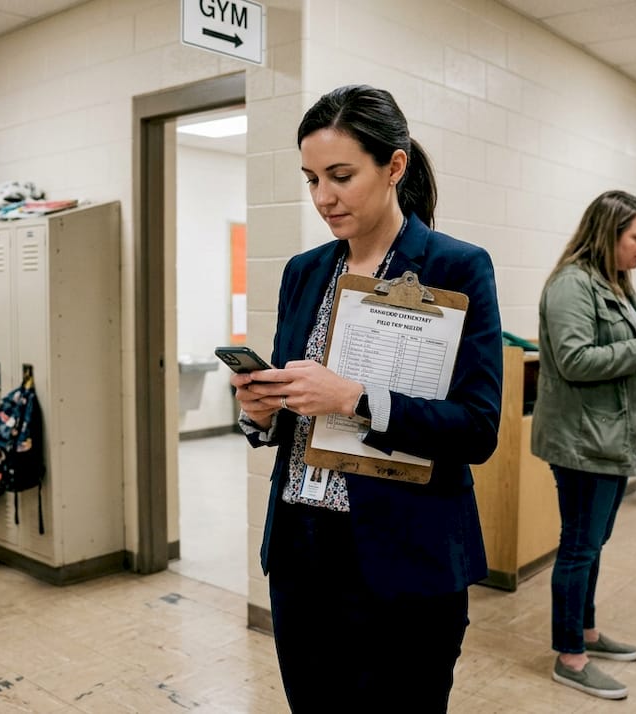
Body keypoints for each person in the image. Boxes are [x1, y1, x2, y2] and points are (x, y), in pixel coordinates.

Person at [229, 85, 503, 713]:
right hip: (302, 551)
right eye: (311, 179)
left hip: (403, 556)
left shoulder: (456, 267)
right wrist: (260, 413)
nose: (324, 197)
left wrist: (355, 398)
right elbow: (289, 415)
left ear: (394, 167)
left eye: (342, 176)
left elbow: (477, 428)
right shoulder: (304, 270)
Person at [532, 190, 636, 700]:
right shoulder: (573, 284)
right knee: (577, 548)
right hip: (581, 442)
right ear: (608, 234)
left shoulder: (613, 282)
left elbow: (616, 352)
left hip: (612, 437)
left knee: (593, 545)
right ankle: (570, 656)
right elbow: (574, 359)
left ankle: (588, 632)